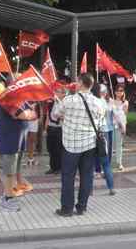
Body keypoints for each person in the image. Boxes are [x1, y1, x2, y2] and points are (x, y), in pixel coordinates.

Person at [53, 73, 105, 217]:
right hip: (90, 144)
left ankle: (67, 208)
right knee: (87, 176)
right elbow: (101, 122)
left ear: (81, 83)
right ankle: (82, 207)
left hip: (71, 145)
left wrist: (60, 106)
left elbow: (55, 115)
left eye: (77, 81)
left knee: (68, 176)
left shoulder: (69, 100)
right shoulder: (98, 102)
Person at [0, 103, 37, 212]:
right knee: (9, 171)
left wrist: (27, 114)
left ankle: (8, 194)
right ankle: (8, 199)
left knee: (14, 169)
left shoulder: (22, 101)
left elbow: (34, 115)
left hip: (18, 139)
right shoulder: (7, 100)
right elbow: (23, 115)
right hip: (9, 139)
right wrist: (27, 114)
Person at [94, 84, 116, 196]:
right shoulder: (104, 102)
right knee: (106, 162)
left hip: (92, 134)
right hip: (103, 134)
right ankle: (111, 187)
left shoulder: (92, 101)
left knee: (88, 163)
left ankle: (88, 189)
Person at [45, 87, 66, 175]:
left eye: (58, 92)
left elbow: (66, 116)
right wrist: (45, 128)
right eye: (56, 91)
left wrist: (61, 117)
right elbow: (48, 115)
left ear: (63, 94)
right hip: (51, 127)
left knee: (58, 149)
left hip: (59, 128)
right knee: (50, 148)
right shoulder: (51, 103)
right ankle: (52, 167)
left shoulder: (64, 104)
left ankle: (59, 168)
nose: (56, 93)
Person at [112, 84, 129, 171]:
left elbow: (125, 116)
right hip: (111, 126)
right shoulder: (111, 101)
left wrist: (124, 127)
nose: (120, 92)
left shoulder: (125, 102)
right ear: (115, 92)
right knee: (111, 145)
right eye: (118, 90)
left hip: (120, 126)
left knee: (119, 145)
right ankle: (109, 162)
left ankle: (119, 163)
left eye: (121, 90)